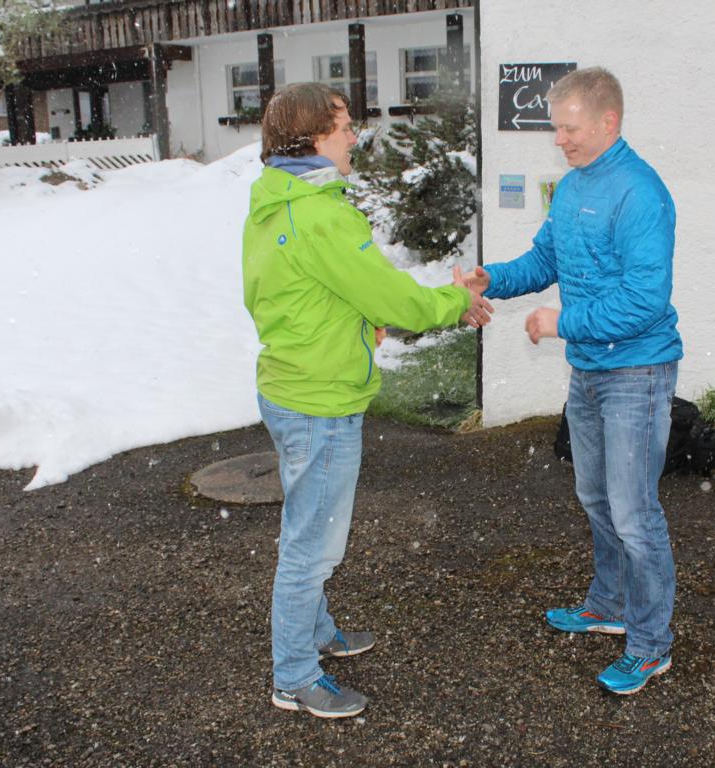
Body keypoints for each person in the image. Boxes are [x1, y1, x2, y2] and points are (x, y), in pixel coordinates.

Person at [243, 83, 492, 718]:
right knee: (313, 546)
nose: (355, 136)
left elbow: (288, 295)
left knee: (305, 528)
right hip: (320, 401)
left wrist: (351, 321)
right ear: (312, 137)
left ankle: (316, 632)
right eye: (345, 126)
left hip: (290, 386)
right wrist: (456, 301)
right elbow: (392, 298)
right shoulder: (321, 215)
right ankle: (294, 676)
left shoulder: (274, 202)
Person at [459, 67, 682, 695]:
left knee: (635, 512)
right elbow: (546, 259)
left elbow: (644, 300)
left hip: (636, 372)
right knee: (596, 497)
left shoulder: (640, 193)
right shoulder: (573, 186)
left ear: (609, 122)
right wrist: (493, 278)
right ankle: (609, 606)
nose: (559, 140)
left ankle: (650, 644)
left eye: (569, 128)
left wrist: (563, 322)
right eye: (556, 128)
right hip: (589, 371)